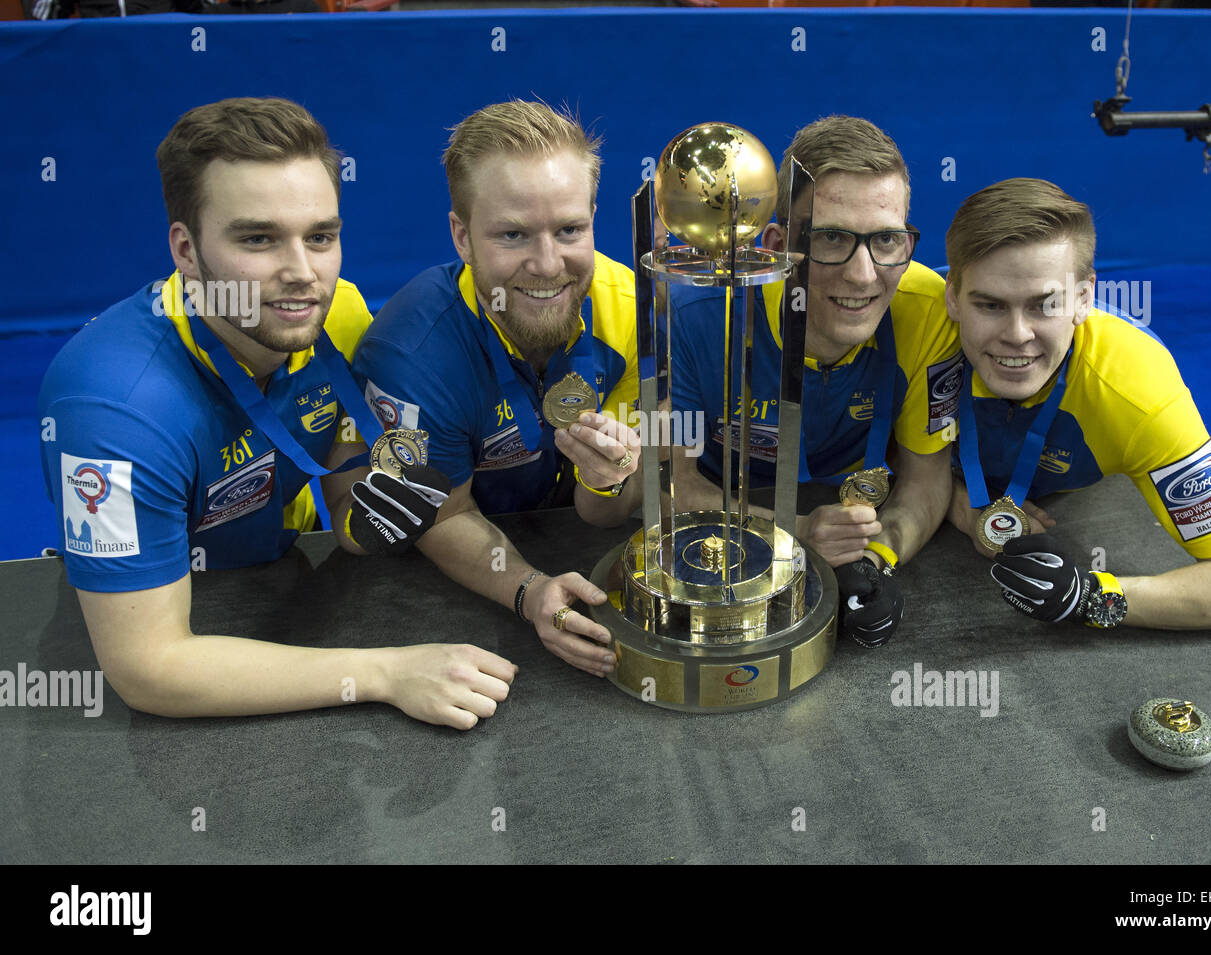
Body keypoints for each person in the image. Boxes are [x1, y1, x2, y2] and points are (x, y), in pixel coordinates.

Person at [37, 97, 515, 730]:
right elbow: (148, 669)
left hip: (280, 591)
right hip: (157, 635)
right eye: (258, 239)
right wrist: (383, 674)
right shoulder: (114, 410)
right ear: (186, 248)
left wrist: (367, 521)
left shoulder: (336, 315)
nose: (302, 274)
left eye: (321, 237)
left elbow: (347, 504)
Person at [346, 100, 644, 678]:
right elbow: (444, 514)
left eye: (570, 229)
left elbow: (605, 512)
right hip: (440, 586)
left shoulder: (629, 311)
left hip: (578, 542)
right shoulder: (411, 357)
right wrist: (530, 591)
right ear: (461, 237)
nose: (547, 263)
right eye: (512, 234)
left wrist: (609, 477)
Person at [667, 115, 962, 646]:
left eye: (887, 240)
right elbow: (677, 489)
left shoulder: (928, 312)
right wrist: (796, 535)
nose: (863, 274)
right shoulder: (701, 313)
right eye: (831, 238)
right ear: (779, 243)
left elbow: (926, 480)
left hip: (852, 519)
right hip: (726, 539)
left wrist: (875, 559)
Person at [943, 177, 1211, 630]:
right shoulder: (916, 334)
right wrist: (959, 504)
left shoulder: (1137, 393)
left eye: (1045, 305)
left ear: (1084, 298)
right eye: (990, 305)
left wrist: (1091, 596)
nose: (1017, 335)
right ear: (951, 297)